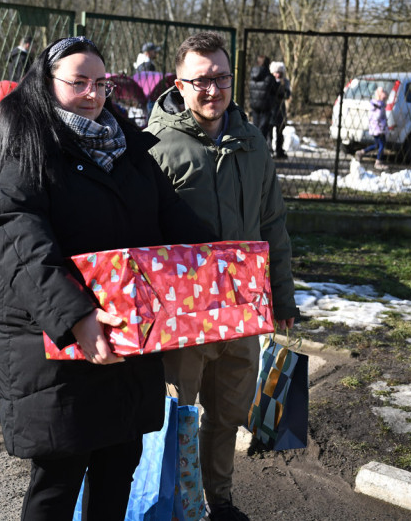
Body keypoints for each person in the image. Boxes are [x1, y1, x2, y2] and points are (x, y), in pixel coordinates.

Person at [0, 36, 211, 521]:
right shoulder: (25, 142)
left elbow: (173, 222)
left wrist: (226, 269)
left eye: (101, 83)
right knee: (60, 478)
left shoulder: (128, 148)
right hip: (58, 342)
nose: (93, 94)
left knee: (118, 464)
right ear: (47, 84)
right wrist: (76, 315)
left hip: (126, 340)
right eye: (79, 82)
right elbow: (17, 236)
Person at [145, 32, 299, 521]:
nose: (213, 89)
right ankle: (177, 502)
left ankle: (221, 500)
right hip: (183, 315)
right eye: (200, 80)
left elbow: (272, 223)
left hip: (243, 307)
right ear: (179, 84)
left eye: (221, 77)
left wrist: (283, 296)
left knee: (229, 412)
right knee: (179, 414)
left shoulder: (253, 143)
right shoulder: (155, 147)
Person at [247, 54, 279, 146]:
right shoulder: (269, 77)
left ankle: (254, 148)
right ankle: (260, 149)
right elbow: (275, 91)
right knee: (263, 129)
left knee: (256, 127)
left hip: (255, 104)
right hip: (266, 106)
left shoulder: (252, 75)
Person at [355, 86, 389, 170]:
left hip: (377, 128)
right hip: (378, 129)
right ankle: (378, 162)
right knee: (381, 145)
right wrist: (384, 125)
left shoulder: (379, 105)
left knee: (377, 145)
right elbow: (378, 118)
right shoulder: (378, 106)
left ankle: (361, 152)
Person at [270, 61, 291, 159]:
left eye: (280, 73)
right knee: (269, 131)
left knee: (280, 132)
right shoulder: (269, 81)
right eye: (276, 72)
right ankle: (269, 149)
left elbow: (287, 95)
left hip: (280, 110)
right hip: (270, 109)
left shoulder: (285, 82)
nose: (278, 74)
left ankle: (279, 150)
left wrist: (283, 89)